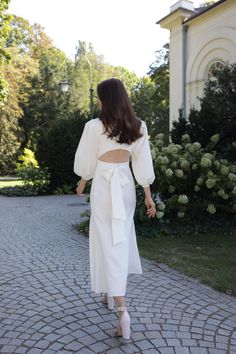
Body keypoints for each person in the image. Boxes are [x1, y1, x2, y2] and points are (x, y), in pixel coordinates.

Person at [73, 78, 156, 340]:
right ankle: (111, 297)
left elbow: (87, 162)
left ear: (105, 99)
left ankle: (122, 310)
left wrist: (83, 181)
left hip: (104, 188)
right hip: (125, 186)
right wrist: (147, 195)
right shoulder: (138, 126)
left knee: (107, 244)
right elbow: (143, 164)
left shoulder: (94, 127)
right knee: (119, 239)